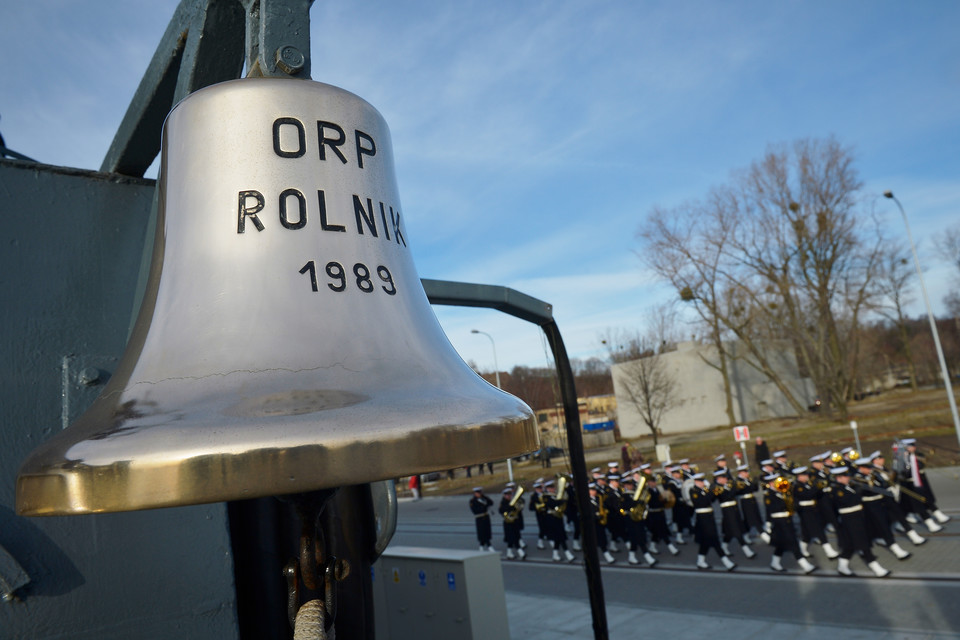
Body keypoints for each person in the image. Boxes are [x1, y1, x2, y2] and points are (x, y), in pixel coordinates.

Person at [829, 466, 890, 577]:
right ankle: (877, 569)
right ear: (839, 478)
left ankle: (842, 567)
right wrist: (859, 491)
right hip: (850, 519)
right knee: (863, 544)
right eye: (845, 476)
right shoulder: (837, 490)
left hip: (857, 517)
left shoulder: (848, 487)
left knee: (849, 545)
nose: (848, 478)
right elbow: (849, 500)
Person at [763, 473, 816, 574]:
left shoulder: (783, 492)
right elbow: (773, 508)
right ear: (770, 483)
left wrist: (792, 501)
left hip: (787, 520)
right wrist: (786, 502)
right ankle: (805, 566)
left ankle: (774, 563)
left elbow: (794, 503)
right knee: (793, 543)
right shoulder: (768, 495)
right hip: (779, 521)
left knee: (781, 545)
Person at [688, 473, 737, 571]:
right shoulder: (693, 491)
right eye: (701, 481)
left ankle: (700, 561)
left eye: (703, 481)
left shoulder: (704, 489)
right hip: (702, 518)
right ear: (696, 481)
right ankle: (727, 562)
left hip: (709, 517)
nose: (703, 483)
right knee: (714, 540)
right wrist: (710, 491)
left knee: (705, 542)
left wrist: (714, 491)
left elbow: (712, 499)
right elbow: (703, 502)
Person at [713, 471, 756, 558]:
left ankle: (723, 548)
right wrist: (733, 489)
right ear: (719, 479)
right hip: (727, 510)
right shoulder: (716, 487)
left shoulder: (727, 486)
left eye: (726, 478)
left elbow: (737, 492)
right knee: (737, 531)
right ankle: (747, 551)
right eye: (724, 478)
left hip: (734, 509)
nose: (726, 479)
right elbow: (726, 496)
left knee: (729, 533)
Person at [543, 480, 575, 562]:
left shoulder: (555, 495)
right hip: (551, 519)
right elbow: (551, 504)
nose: (553, 489)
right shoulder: (545, 496)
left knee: (558, 538)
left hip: (558, 518)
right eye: (550, 488)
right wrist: (561, 501)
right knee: (560, 537)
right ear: (547, 489)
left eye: (553, 487)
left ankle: (555, 554)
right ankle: (568, 554)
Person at [499, 487, 526, 560]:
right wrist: (511, 506)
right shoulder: (503, 502)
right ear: (504, 495)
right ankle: (521, 552)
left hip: (514, 522)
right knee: (512, 538)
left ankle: (509, 553)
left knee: (514, 537)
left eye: (510, 494)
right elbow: (501, 510)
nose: (508, 496)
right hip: (508, 523)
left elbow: (520, 506)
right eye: (507, 495)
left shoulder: (513, 501)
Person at [470, 487, 495, 551]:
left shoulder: (484, 498)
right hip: (479, 518)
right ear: (475, 493)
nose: (479, 494)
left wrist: (485, 498)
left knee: (487, 532)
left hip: (486, 517)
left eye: (480, 492)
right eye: (477, 493)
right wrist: (483, 507)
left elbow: (491, 502)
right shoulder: (473, 501)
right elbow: (475, 510)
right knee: (482, 533)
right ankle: (489, 546)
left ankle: (481, 547)